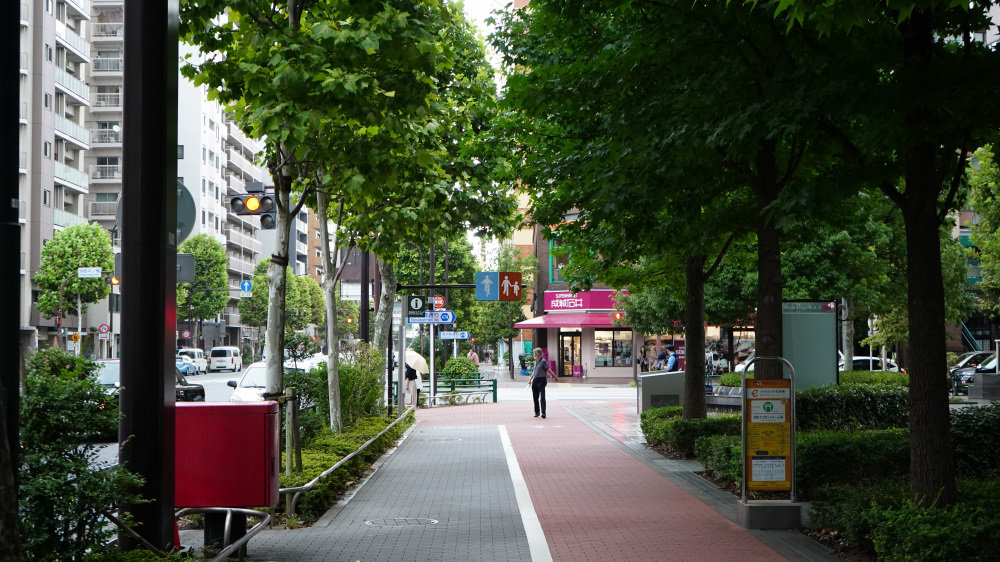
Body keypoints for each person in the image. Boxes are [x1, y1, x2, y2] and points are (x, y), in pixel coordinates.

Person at [530, 348, 555, 418]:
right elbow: (534, 372)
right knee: (535, 397)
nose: (534, 354)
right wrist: (530, 379)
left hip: (542, 380)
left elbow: (548, 370)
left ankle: (543, 413)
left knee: (542, 397)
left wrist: (555, 376)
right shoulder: (535, 362)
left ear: (538, 354)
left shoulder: (543, 361)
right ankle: (537, 412)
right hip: (535, 380)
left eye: (534, 353)